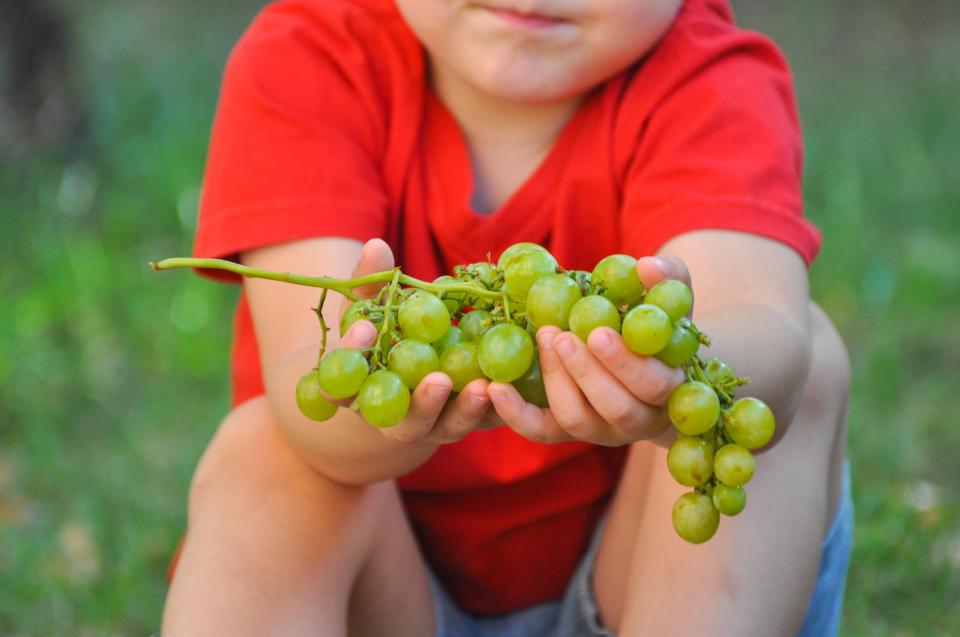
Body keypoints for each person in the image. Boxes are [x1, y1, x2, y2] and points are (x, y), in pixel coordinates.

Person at [162, 0, 853, 635]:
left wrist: (668, 381)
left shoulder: (709, 80)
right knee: (267, 448)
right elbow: (310, 397)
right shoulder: (311, 60)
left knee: (790, 365)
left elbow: (758, 316)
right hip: (389, 604)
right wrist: (388, 403)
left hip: (637, 591)